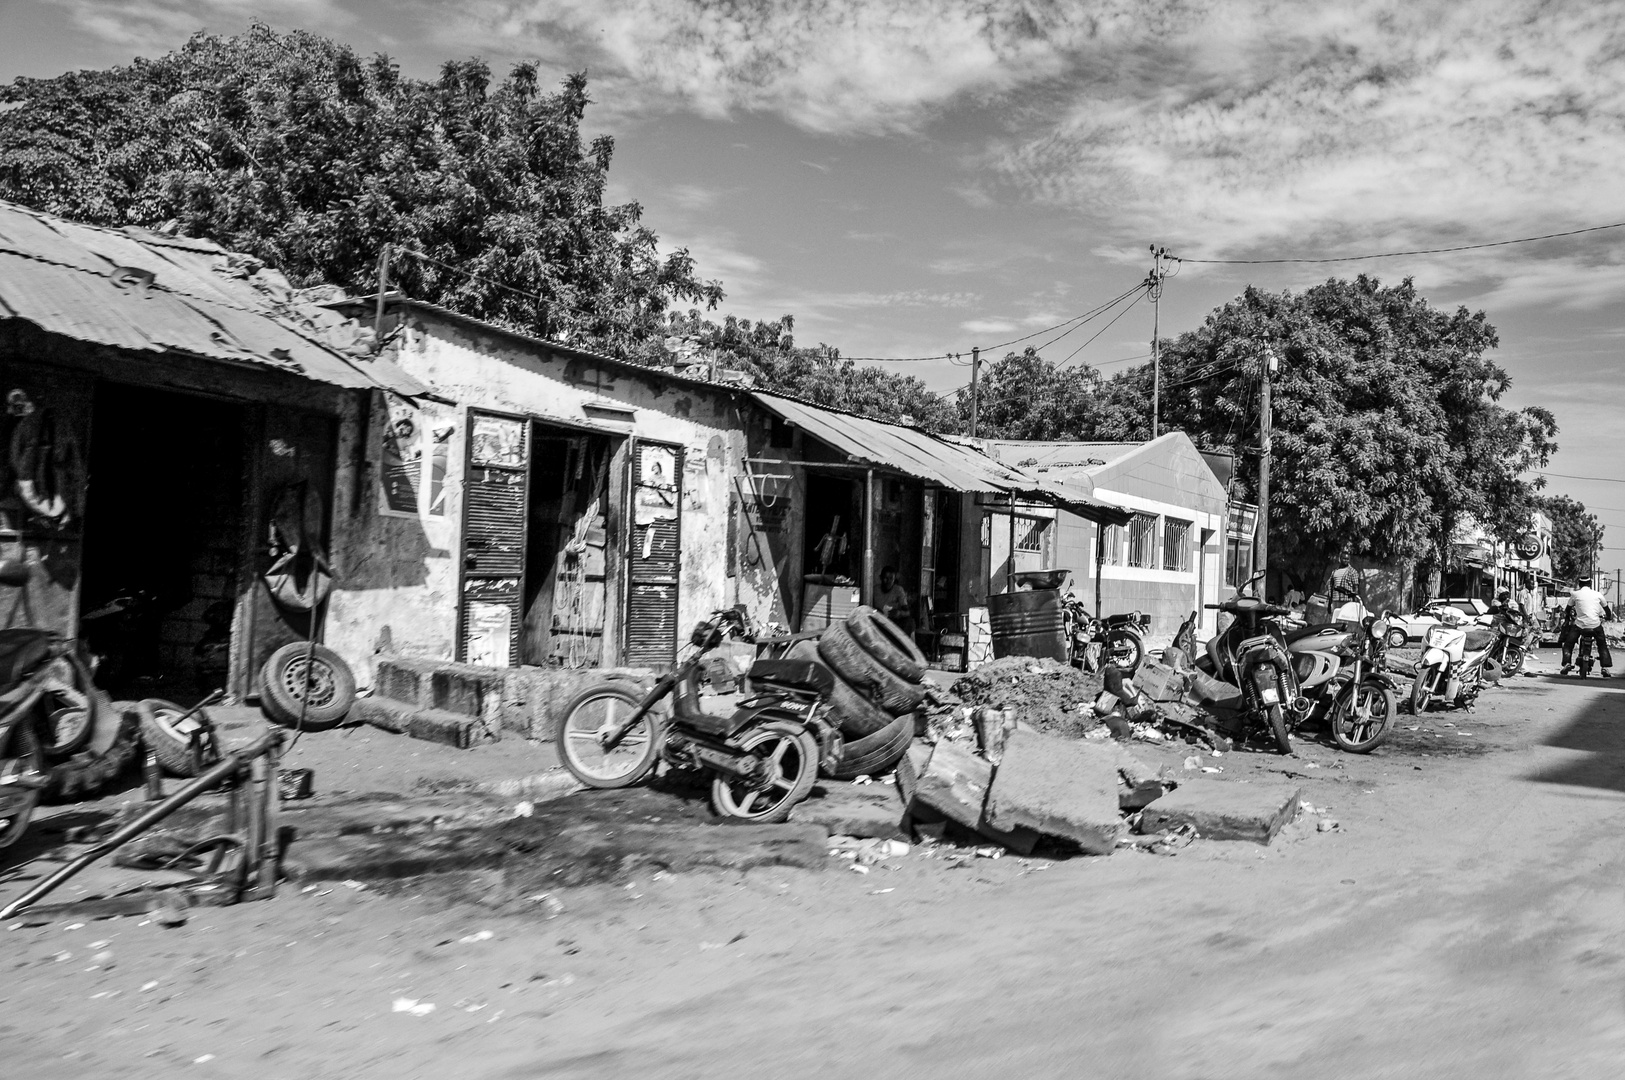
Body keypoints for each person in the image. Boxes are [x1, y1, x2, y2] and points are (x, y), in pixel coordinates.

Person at [1561, 583, 1613, 677]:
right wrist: (1608, 617)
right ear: (1590, 584)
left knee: (1568, 644)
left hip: (1579, 625)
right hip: (1595, 625)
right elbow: (1607, 610)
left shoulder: (1575, 594)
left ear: (1580, 584)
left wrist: (1570, 617)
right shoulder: (1598, 594)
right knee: (1602, 645)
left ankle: (1567, 664)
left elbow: (1567, 610)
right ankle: (1605, 667)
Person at [876, 565, 914, 634]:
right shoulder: (875, 590)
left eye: (891, 578)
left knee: (910, 621)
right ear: (881, 578)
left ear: (894, 579)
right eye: (886, 578)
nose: (888, 581)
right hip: (877, 621)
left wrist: (899, 613)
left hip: (893, 622)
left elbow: (907, 612)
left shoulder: (898, 590)